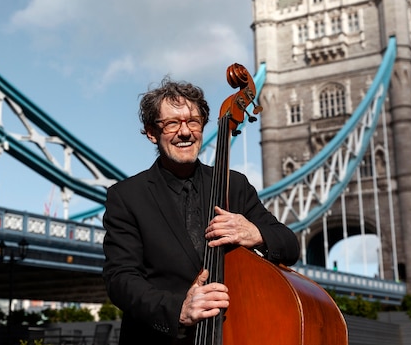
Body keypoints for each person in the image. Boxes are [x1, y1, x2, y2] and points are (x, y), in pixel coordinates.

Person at [102, 77, 300, 345]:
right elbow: (120, 279)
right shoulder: (127, 196)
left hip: (234, 334)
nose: (185, 132)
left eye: (193, 122)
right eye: (172, 123)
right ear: (151, 132)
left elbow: (290, 246)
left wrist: (255, 233)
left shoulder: (235, 185)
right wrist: (177, 309)